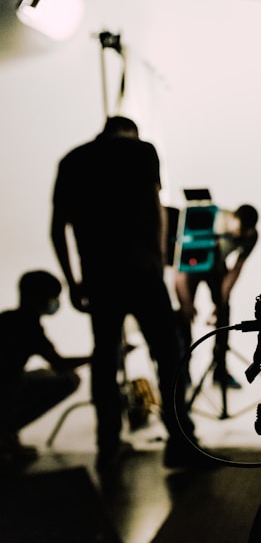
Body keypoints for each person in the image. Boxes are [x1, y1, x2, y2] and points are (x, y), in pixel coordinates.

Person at [51, 115, 210, 471]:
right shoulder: (142, 151)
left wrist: (72, 280)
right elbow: (157, 212)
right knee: (168, 358)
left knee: (106, 360)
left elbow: (57, 227)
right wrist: (159, 264)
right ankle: (182, 443)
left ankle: (108, 445)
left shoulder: (73, 159)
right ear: (131, 132)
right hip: (142, 272)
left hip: (99, 276)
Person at [0, 270, 89, 469]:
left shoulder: (8, 318)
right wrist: (97, 356)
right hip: (6, 388)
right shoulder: (29, 327)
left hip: (10, 383)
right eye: (52, 297)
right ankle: (6, 430)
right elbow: (60, 364)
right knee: (69, 380)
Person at [174, 204, 258, 389]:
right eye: (237, 230)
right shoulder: (210, 220)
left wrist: (221, 302)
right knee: (183, 316)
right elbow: (179, 267)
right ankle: (183, 371)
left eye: (243, 234)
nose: (238, 236)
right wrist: (186, 302)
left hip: (217, 266)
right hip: (192, 267)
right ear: (231, 218)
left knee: (225, 312)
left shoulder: (250, 237)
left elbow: (235, 270)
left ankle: (220, 369)